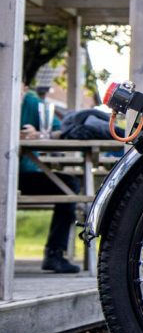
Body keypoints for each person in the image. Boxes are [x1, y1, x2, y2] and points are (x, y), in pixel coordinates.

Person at [18, 85, 81, 274]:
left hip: (25, 175)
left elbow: (59, 130)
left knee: (70, 186)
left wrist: (38, 134)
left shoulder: (32, 103)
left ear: (23, 87)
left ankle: (55, 253)